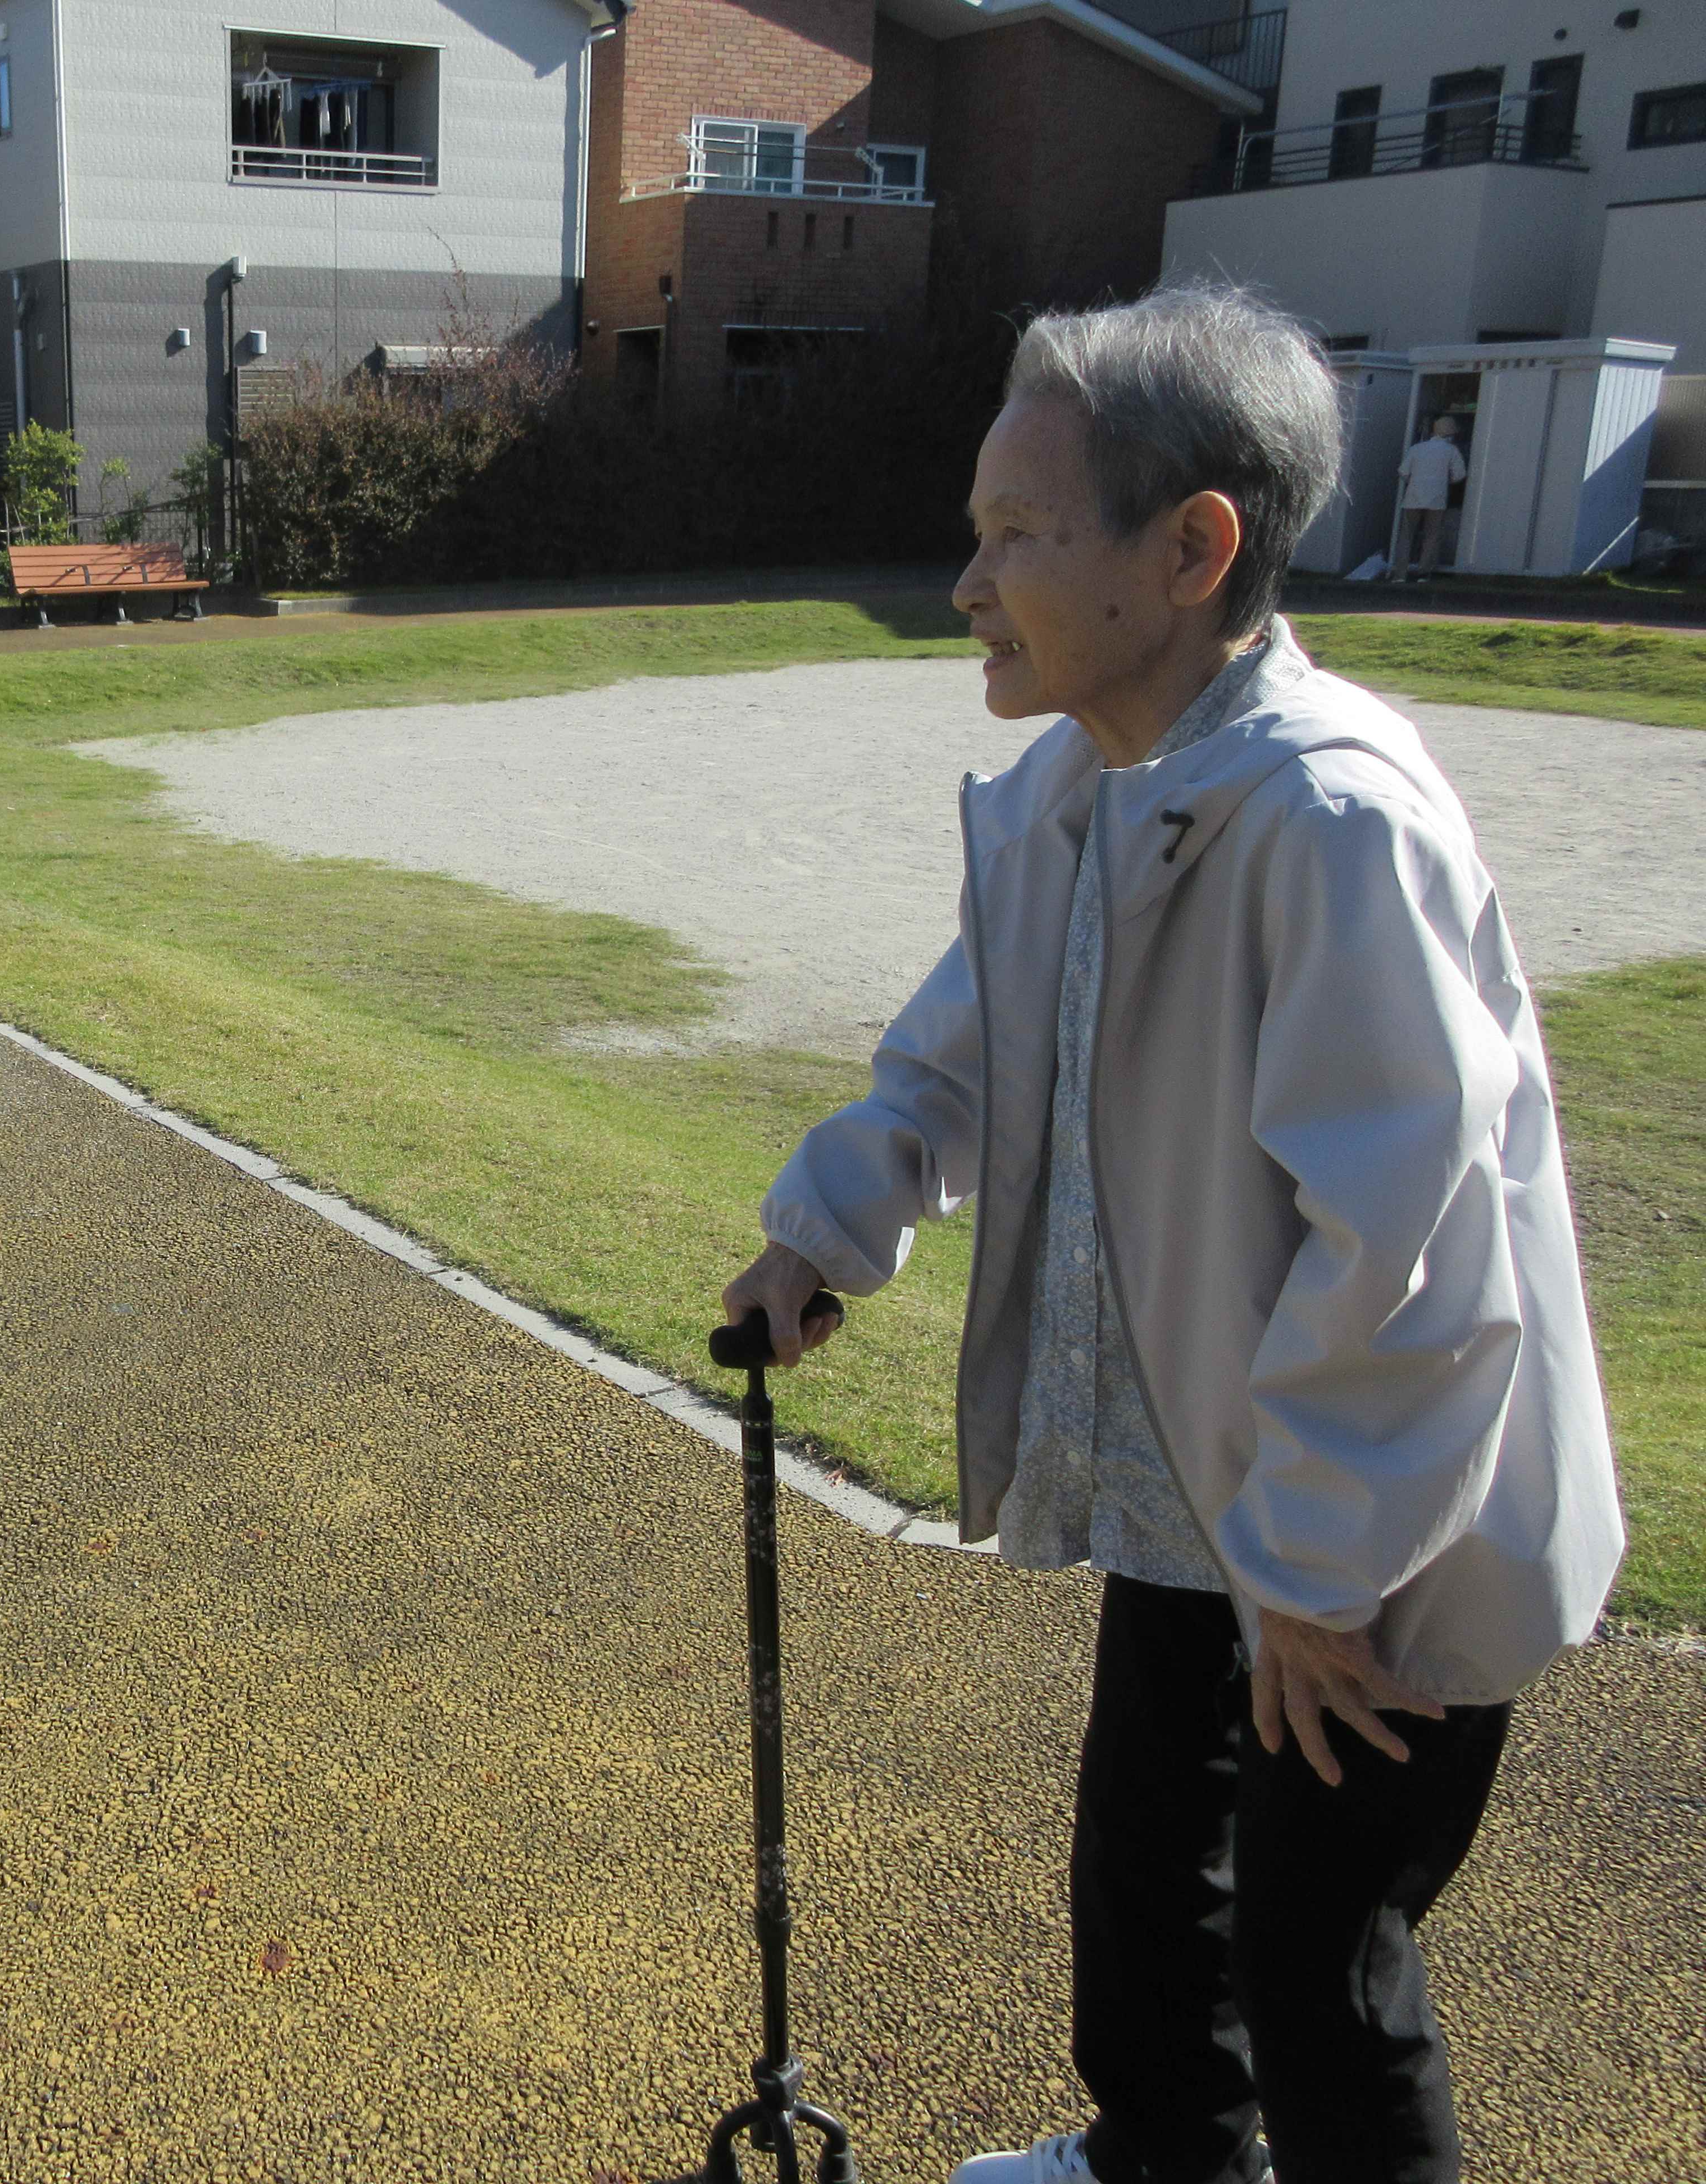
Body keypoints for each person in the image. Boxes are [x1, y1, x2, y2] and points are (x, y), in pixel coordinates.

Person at [719, 287, 1621, 2184]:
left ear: (1191, 548)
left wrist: (1307, 1569)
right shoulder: (1093, 786)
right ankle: (1158, 2152)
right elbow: (959, 1045)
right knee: (1145, 1870)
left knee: (1318, 1964)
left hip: (1372, 1532)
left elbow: (1409, 1242)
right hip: (1216, 1487)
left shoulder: (1323, 818)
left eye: (1017, 534)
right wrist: (827, 1220)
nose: (969, 581)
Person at [1386, 412, 1467, 582]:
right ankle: (1423, 573)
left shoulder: (1417, 449)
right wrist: (1446, 482)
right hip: (1437, 499)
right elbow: (1459, 475)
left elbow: (1403, 472)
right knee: (1432, 536)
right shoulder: (1451, 451)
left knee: (1407, 535)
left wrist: (1415, 483)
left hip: (1413, 498)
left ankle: (1400, 574)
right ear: (1451, 434)